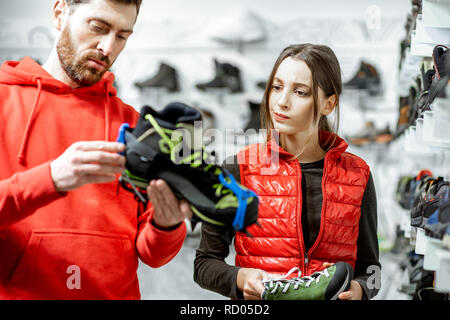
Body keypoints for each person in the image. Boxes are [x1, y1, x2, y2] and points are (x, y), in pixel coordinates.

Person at [0, 0, 192, 299]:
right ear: (59, 12)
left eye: (122, 36)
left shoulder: (136, 126)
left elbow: (153, 255)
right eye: (98, 28)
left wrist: (166, 225)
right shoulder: (3, 102)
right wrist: (49, 179)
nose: (108, 47)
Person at [193, 44, 381, 300]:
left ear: (329, 103)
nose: (281, 101)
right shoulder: (238, 169)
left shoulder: (357, 175)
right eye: (277, 87)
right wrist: (240, 278)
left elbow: (372, 270)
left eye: (300, 92)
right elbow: (204, 264)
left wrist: (360, 290)